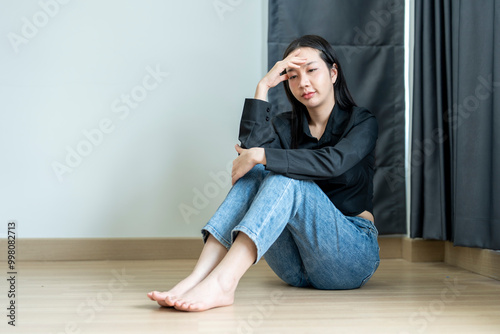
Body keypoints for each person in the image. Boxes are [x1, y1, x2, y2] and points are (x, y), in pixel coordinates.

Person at [148, 34, 380, 312]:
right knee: (257, 172)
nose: (303, 82)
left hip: (350, 259)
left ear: (332, 73)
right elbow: (250, 154)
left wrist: (262, 154)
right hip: (296, 268)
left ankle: (223, 283)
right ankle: (197, 278)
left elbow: (332, 162)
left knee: (286, 176)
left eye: (311, 70)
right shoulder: (285, 126)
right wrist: (263, 87)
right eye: (292, 75)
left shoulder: (361, 121)